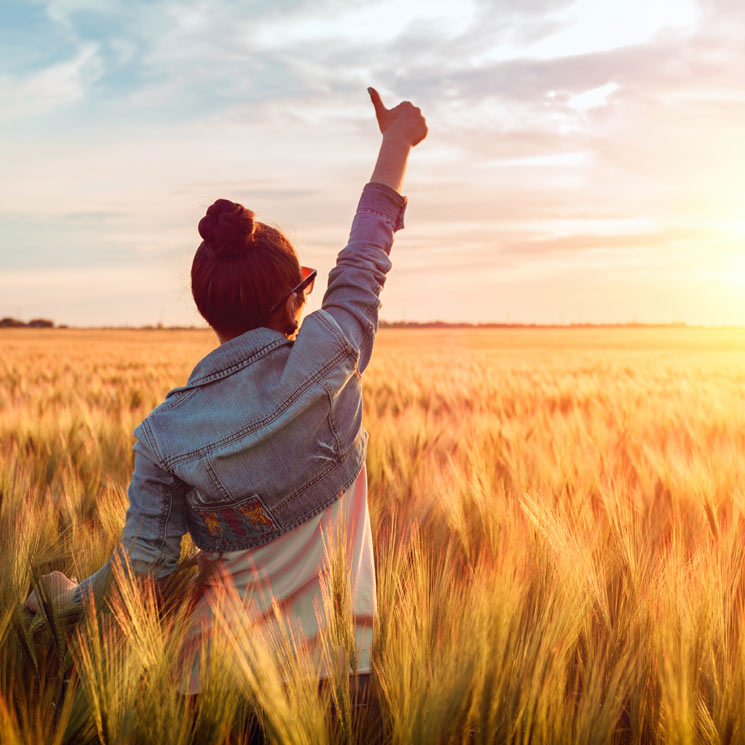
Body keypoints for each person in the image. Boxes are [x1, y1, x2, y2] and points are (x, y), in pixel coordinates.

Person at [25, 87, 427, 703]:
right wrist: (395, 143)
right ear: (295, 297)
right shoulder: (331, 358)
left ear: (206, 307)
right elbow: (366, 256)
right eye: (304, 286)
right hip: (339, 683)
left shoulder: (164, 434)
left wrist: (65, 600)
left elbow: (143, 576)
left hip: (208, 691)